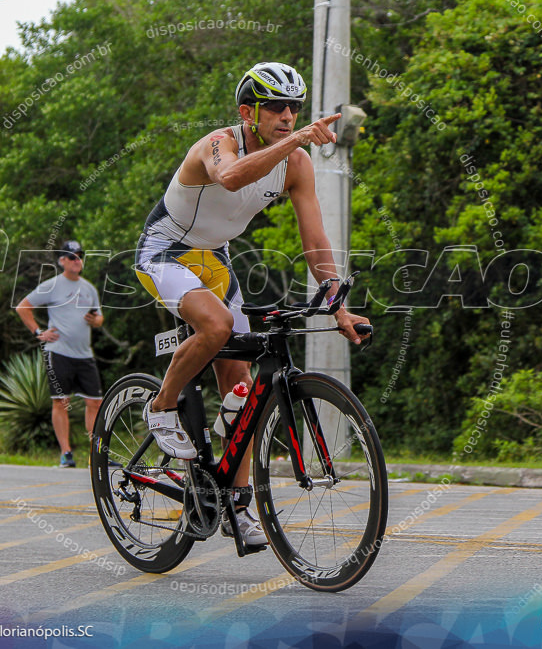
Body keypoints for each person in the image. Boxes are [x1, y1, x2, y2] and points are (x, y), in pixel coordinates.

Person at [134, 62, 371, 546]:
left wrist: (337, 306)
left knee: (243, 393)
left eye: (295, 108)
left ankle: (235, 506)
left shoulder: (296, 164)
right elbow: (233, 178)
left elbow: (315, 241)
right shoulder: (217, 144)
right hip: (165, 251)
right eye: (277, 107)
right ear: (248, 112)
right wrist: (298, 137)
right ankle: (160, 407)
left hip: (215, 261)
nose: (288, 115)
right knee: (218, 326)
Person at [15, 240, 104, 468]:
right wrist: (39, 332)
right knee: (61, 402)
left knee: (95, 402)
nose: (77, 260)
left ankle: (97, 453)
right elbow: (22, 307)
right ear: (62, 260)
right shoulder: (52, 285)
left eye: (79, 256)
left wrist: (96, 320)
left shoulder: (89, 289)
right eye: (72, 257)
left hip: (84, 354)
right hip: (59, 352)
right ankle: (66, 453)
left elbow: (99, 317)